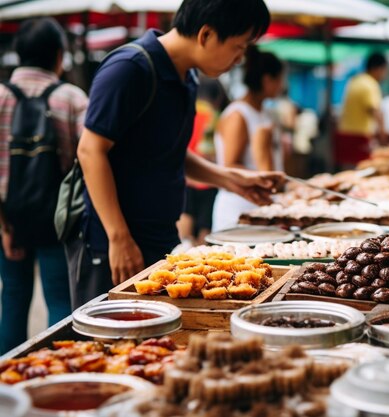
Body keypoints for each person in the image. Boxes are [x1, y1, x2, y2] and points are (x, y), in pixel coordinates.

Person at [69, 0, 283, 309]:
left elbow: (170, 151)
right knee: (111, 341)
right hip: (113, 242)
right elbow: (90, 150)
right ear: (206, 34)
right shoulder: (130, 68)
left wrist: (231, 178)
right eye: (239, 47)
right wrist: (118, 238)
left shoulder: (188, 77)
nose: (240, 59)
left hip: (160, 236)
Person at [0, 18, 88, 353]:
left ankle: (7, 384)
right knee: (60, 302)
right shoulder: (71, 98)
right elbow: (93, 156)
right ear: (58, 55)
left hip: (10, 219)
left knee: (12, 298)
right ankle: (57, 374)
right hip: (59, 220)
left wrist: (5, 227)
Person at [212, 46, 285, 231]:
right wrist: (263, 178)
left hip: (262, 205)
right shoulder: (238, 115)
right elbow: (229, 164)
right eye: (280, 79)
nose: (282, 85)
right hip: (239, 206)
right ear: (267, 80)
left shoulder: (264, 112)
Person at [177, 78, 229, 246]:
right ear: (218, 97)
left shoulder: (187, 112)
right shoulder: (215, 117)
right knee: (204, 229)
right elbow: (209, 151)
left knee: (185, 224)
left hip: (186, 178)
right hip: (208, 180)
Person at [335, 52, 389, 168]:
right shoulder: (370, 84)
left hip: (344, 135)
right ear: (379, 69)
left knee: (347, 174)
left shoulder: (355, 80)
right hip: (358, 138)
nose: (384, 75)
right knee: (360, 174)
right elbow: (375, 111)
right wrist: (383, 136)